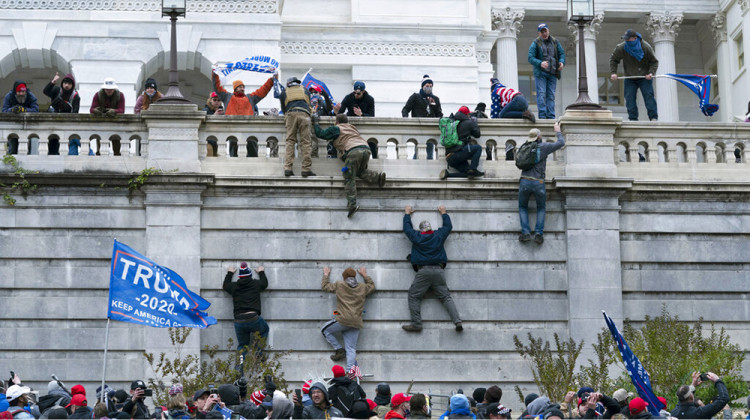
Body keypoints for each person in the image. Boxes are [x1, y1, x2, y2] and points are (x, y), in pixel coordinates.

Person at [402, 205, 462, 332]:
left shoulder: (417, 237)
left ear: (421, 230)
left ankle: (416, 324)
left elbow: (407, 229)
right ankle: (457, 321)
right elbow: (448, 227)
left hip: (423, 271)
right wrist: (444, 213)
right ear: (430, 229)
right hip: (439, 271)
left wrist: (407, 214)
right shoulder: (438, 236)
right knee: (446, 297)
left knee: (413, 295)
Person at [313, 113, 386, 217]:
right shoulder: (353, 128)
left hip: (353, 151)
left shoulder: (337, 128)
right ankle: (378, 178)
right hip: (366, 149)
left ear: (337, 122)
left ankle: (352, 205)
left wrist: (315, 122)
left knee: (349, 176)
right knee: (358, 171)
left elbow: (321, 134)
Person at [518, 123, 565, 244]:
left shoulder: (524, 147)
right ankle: (538, 234)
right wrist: (558, 131)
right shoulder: (544, 147)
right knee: (541, 208)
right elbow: (561, 143)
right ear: (539, 137)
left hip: (524, 180)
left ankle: (526, 233)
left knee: (523, 207)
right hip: (538, 181)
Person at [320, 266, 375, 369]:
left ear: (344, 277)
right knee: (351, 349)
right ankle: (350, 372)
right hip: (356, 322)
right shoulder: (362, 287)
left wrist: (326, 275)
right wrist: (365, 275)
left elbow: (325, 286)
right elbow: (372, 286)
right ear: (355, 276)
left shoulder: (339, 285)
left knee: (324, 330)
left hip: (343, 320)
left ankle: (339, 349)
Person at [223, 262, 270, 371]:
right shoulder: (255, 284)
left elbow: (225, 285)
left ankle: (239, 370)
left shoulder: (234, 286)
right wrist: (261, 272)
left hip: (239, 320)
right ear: (250, 275)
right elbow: (265, 283)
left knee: (242, 345)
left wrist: (229, 273)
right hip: (253, 318)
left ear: (239, 276)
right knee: (264, 330)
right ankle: (258, 352)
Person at [609, 29, 659, 121]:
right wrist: (613, 73)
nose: (626, 41)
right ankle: (633, 119)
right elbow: (613, 60)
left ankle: (653, 117)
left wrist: (651, 72)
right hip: (630, 77)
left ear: (635, 38)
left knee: (649, 96)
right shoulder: (622, 47)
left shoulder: (645, 47)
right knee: (629, 98)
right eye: (625, 39)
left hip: (644, 77)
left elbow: (654, 62)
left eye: (628, 39)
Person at [278, 75, 315, 177]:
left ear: (288, 83)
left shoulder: (284, 91)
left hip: (291, 114)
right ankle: (306, 169)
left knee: (290, 141)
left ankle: (288, 168)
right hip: (304, 114)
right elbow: (309, 105)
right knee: (306, 142)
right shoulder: (305, 90)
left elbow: (283, 108)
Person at [528, 23, 565, 120]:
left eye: (546, 31)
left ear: (548, 31)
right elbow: (530, 58)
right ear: (539, 33)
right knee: (541, 94)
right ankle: (542, 116)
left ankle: (551, 116)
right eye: (542, 31)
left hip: (553, 73)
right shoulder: (536, 43)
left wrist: (561, 62)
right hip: (541, 73)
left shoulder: (555, 42)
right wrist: (540, 63)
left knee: (551, 95)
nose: (544, 33)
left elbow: (561, 53)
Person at [403, 75, 443, 159]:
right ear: (422, 86)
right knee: (419, 149)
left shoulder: (435, 99)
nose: (429, 88)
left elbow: (439, 113)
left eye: (430, 86)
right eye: (427, 86)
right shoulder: (416, 97)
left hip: (431, 128)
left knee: (430, 151)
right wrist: (406, 119)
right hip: (418, 127)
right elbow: (406, 109)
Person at [440, 106, 484, 180]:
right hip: (458, 153)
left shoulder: (452, 122)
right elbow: (477, 134)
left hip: (450, 157)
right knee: (478, 148)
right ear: (467, 114)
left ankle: (447, 175)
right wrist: (474, 123)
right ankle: (473, 168)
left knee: (468, 173)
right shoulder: (469, 122)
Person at [90, 78, 125, 155]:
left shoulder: (120, 95)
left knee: (116, 148)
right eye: (107, 89)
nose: (109, 91)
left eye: (111, 89)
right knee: (100, 149)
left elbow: (122, 110)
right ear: (104, 88)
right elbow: (92, 109)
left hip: (115, 125)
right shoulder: (98, 95)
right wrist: (96, 110)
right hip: (101, 124)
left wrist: (114, 111)